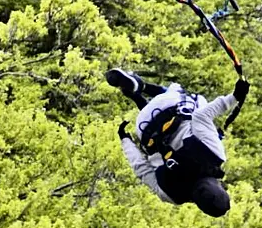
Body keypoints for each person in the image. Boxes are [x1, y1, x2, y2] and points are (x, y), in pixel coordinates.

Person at [106, 68, 250, 217]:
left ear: (221, 187)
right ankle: (135, 95)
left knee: (196, 101)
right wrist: (125, 140)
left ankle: (143, 87)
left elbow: (201, 116)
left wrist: (234, 98)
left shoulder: (215, 156)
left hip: (168, 104)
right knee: (158, 144)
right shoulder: (173, 196)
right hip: (143, 126)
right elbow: (141, 169)